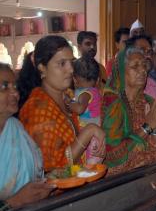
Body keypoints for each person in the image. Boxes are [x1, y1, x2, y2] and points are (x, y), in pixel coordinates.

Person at [19, 35, 106, 171]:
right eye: (62, 63)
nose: (71, 69)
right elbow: (52, 170)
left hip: (82, 182)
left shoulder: (68, 96)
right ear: (42, 68)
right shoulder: (37, 110)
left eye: (71, 62)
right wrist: (89, 131)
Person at [0, 63, 55, 211]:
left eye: (15, 86)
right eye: (4, 87)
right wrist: (14, 202)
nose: (15, 93)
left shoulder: (15, 127)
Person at [102, 46, 156, 175]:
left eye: (144, 66)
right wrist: (147, 127)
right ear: (121, 72)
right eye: (135, 66)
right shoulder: (113, 102)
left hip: (149, 171)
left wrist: (155, 127)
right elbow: (113, 156)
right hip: (120, 179)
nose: (142, 71)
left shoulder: (149, 102)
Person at [126, 35, 156, 99]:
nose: (148, 56)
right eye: (142, 50)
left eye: (150, 52)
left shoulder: (153, 84)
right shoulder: (120, 88)